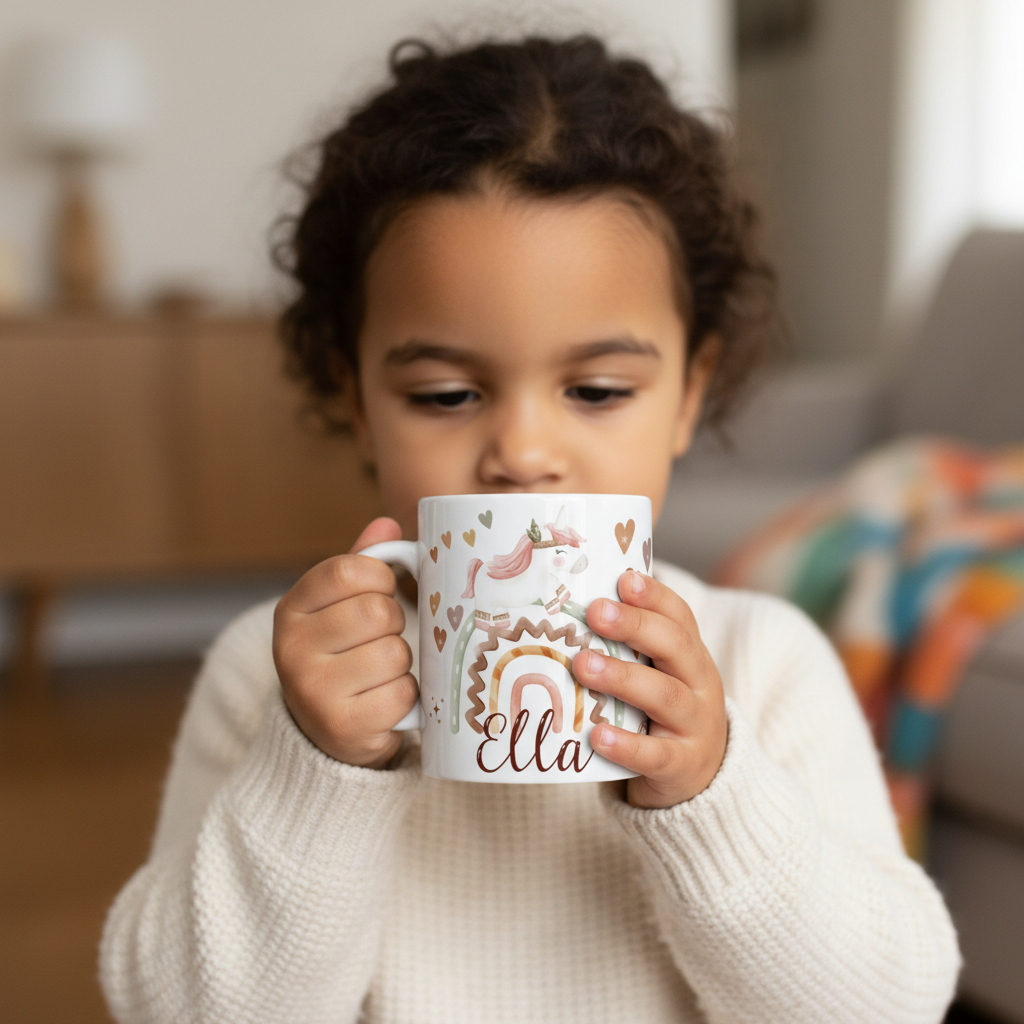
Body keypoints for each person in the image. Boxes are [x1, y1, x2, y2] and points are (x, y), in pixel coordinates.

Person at [100, 35, 960, 1023]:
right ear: (354, 395)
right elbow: (176, 1010)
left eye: (595, 389)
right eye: (446, 392)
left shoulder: (762, 665)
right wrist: (319, 765)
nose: (522, 449)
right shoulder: (269, 673)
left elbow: (889, 1003)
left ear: (689, 392)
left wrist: (709, 792)